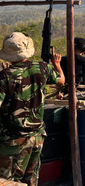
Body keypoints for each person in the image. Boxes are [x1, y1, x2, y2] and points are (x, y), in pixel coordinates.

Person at [0, 32, 65, 186]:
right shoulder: (42, 67)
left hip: (13, 140)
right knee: (31, 180)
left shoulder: (4, 77)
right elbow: (61, 81)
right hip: (37, 136)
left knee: (8, 181)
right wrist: (57, 65)